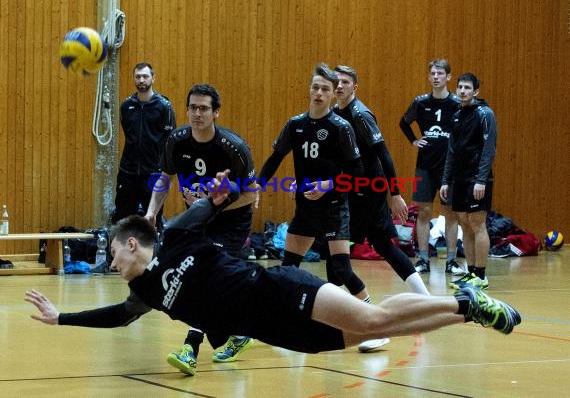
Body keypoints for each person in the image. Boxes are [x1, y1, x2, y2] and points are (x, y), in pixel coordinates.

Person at [25, 172, 521, 364]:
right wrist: (61, 318)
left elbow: (224, 200)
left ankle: (463, 300)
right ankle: (470, 312)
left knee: (373, 321)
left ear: (132, 244)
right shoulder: (147, 293)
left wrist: (230, 187)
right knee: (382, 320)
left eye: (112, 252)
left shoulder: (176, 236)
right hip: (276, 330)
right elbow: (118, 315)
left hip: (280, 290)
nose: (109, 262)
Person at [144, 84, 258, 375]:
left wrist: (213, 205)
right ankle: (239, 333)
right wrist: (151, 213)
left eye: (204, 108)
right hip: (198, 221)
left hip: (232, 222)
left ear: (216, 112)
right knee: (214, 284)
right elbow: (165, 178)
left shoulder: (233, 147)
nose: (197, 113)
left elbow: (251, 195)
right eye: (193, 107)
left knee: (204, 275)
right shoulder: (177, 141)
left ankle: (190, 348)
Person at [259, 63, 374, 302]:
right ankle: (283, 318)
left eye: (324, 89)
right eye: (315, 87)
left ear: (333, 93)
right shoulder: (295, 125)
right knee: (289, 266)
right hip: (306, 208)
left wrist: (327, 185)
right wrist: (257, 186)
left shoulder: (340, 127)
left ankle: (373, 316)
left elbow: (357, 171)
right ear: (309, 90)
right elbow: (275, 158)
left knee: (342, 269)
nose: (319, 93)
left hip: (333, 207)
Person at [332, 65, 429, 296]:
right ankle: (425, 298)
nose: (339, 86)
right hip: (351, 188)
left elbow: (383, 154)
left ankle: (334, 304)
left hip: (368, 190)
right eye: (336, 81)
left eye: (345, 82)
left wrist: (395, 194)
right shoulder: (334, 113)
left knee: (336, 248)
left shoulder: (360, 115)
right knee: (383, 245)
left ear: (354, 87)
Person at [399, 59, 462, 275]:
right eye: (432, 73)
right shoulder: (421, 102)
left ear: (448, 77)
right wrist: (414, 141)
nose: (436, 77)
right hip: (425, 165)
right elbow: (403, 122)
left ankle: (451, 261)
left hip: (449, 168)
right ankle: (423, 260)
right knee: (424, 212)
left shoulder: (456, 103)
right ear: (429, 77)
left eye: (440, 73)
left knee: (450, 213)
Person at [440, 73, 497, 290]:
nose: (462, 91)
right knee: (464, 223)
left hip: (477, 179)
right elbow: (452, 151)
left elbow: (489, 149)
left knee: (477, 223)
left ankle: (481, 275)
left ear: (476, 91)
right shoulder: (457, 115)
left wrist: (481, 180)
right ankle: (471, 271)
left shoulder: (485, 114)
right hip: (459, 179)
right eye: (460, 87)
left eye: (467, 88)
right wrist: (446, 180)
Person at [110, 62, 176, 234]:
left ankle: (154, 259)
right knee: (122, 220)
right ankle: (117, 259)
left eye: (145, 76)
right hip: (128, 173)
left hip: (153, 173)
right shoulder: (126, 106)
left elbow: (170, 141)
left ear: (153, 78)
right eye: (138, 76)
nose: (141, 80)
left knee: (152, 220)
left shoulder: (164, 107)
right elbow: (128, 134)